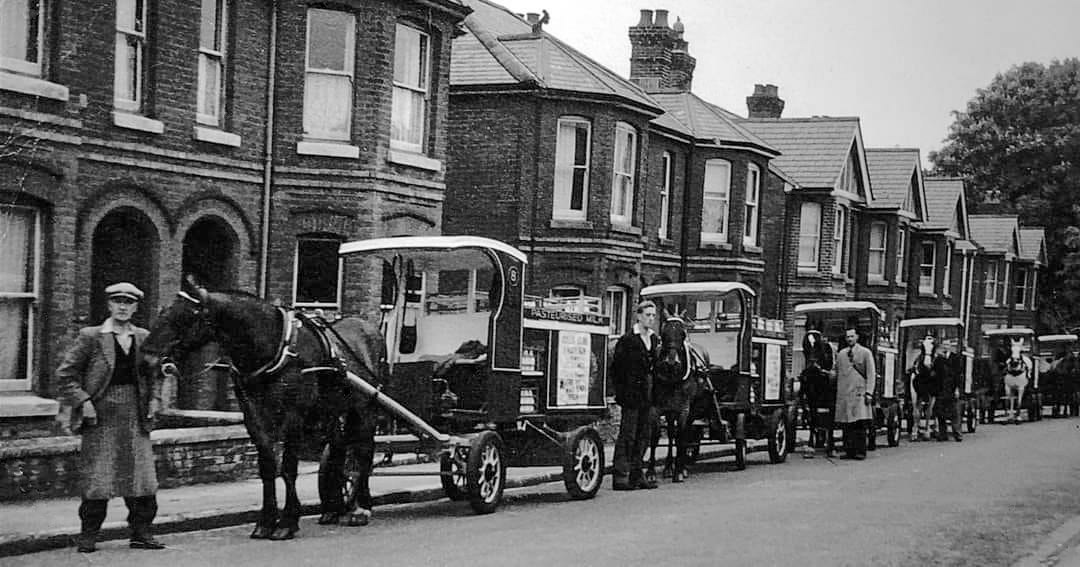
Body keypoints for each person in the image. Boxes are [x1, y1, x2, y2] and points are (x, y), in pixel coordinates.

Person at [58, 282, 165, 553]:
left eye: (128, 302)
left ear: (135, 307)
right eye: (117, 301)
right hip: (101, 415)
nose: (122, 307)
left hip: (135, 414)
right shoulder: (91, 336)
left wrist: (154, 399)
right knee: (99, 478)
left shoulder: (143, 337)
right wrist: (84, 402)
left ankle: (141, 533)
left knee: (141, 478)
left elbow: (155, 375)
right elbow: (66, 375)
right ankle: (88, 536)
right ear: (109, 305)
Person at [611, 299, 660, 490]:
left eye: (653, 315)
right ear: (639, 316)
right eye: (647, 315)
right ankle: (621, 476)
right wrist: (622, 394)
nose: (651, 319)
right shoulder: (628, 340)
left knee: (644, 434)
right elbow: (616, 370)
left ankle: (637, 474)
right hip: (632, 395)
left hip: (649, 394)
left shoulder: (655, 340)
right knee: (628, 435)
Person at [834, 326, 876, 460]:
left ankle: (860, 451)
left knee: (859, 424)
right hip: (845, 393)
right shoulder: (841, 354)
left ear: (857, 337)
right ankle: (848, 451)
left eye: (852, 336)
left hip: (859, 393)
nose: (850, 339)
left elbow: (871, 374)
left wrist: (869, 392)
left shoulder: (865, 353)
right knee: (847, 425)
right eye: (847, 337)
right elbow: (837, 372)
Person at [934, 339, 964, 442]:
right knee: (940, 412)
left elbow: (959, 374)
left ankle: (957, 434)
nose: (946, 347)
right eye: (944, 345)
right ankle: (943, 434)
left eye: (948, 345)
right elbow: (935, 374)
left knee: (954, 412)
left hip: (951, 388)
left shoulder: (956, 358)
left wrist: (957, 389)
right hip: (941, 389)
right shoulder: (938, 359)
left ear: (950, 346)